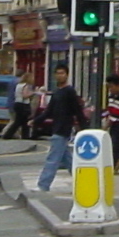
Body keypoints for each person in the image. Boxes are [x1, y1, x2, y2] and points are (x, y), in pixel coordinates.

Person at [35, 64, 86, 193]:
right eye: (57, 73)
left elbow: (77, 111)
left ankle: (43, 185)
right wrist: (35, 121)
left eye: (62, 73)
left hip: (63, 129)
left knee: (52, 159)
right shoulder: (57, 92)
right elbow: (49, 111)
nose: (60, 75)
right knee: (68, 160)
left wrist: (84, 128)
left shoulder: (70, 91)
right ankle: (83, 181)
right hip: (57, 128)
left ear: (67, 75)